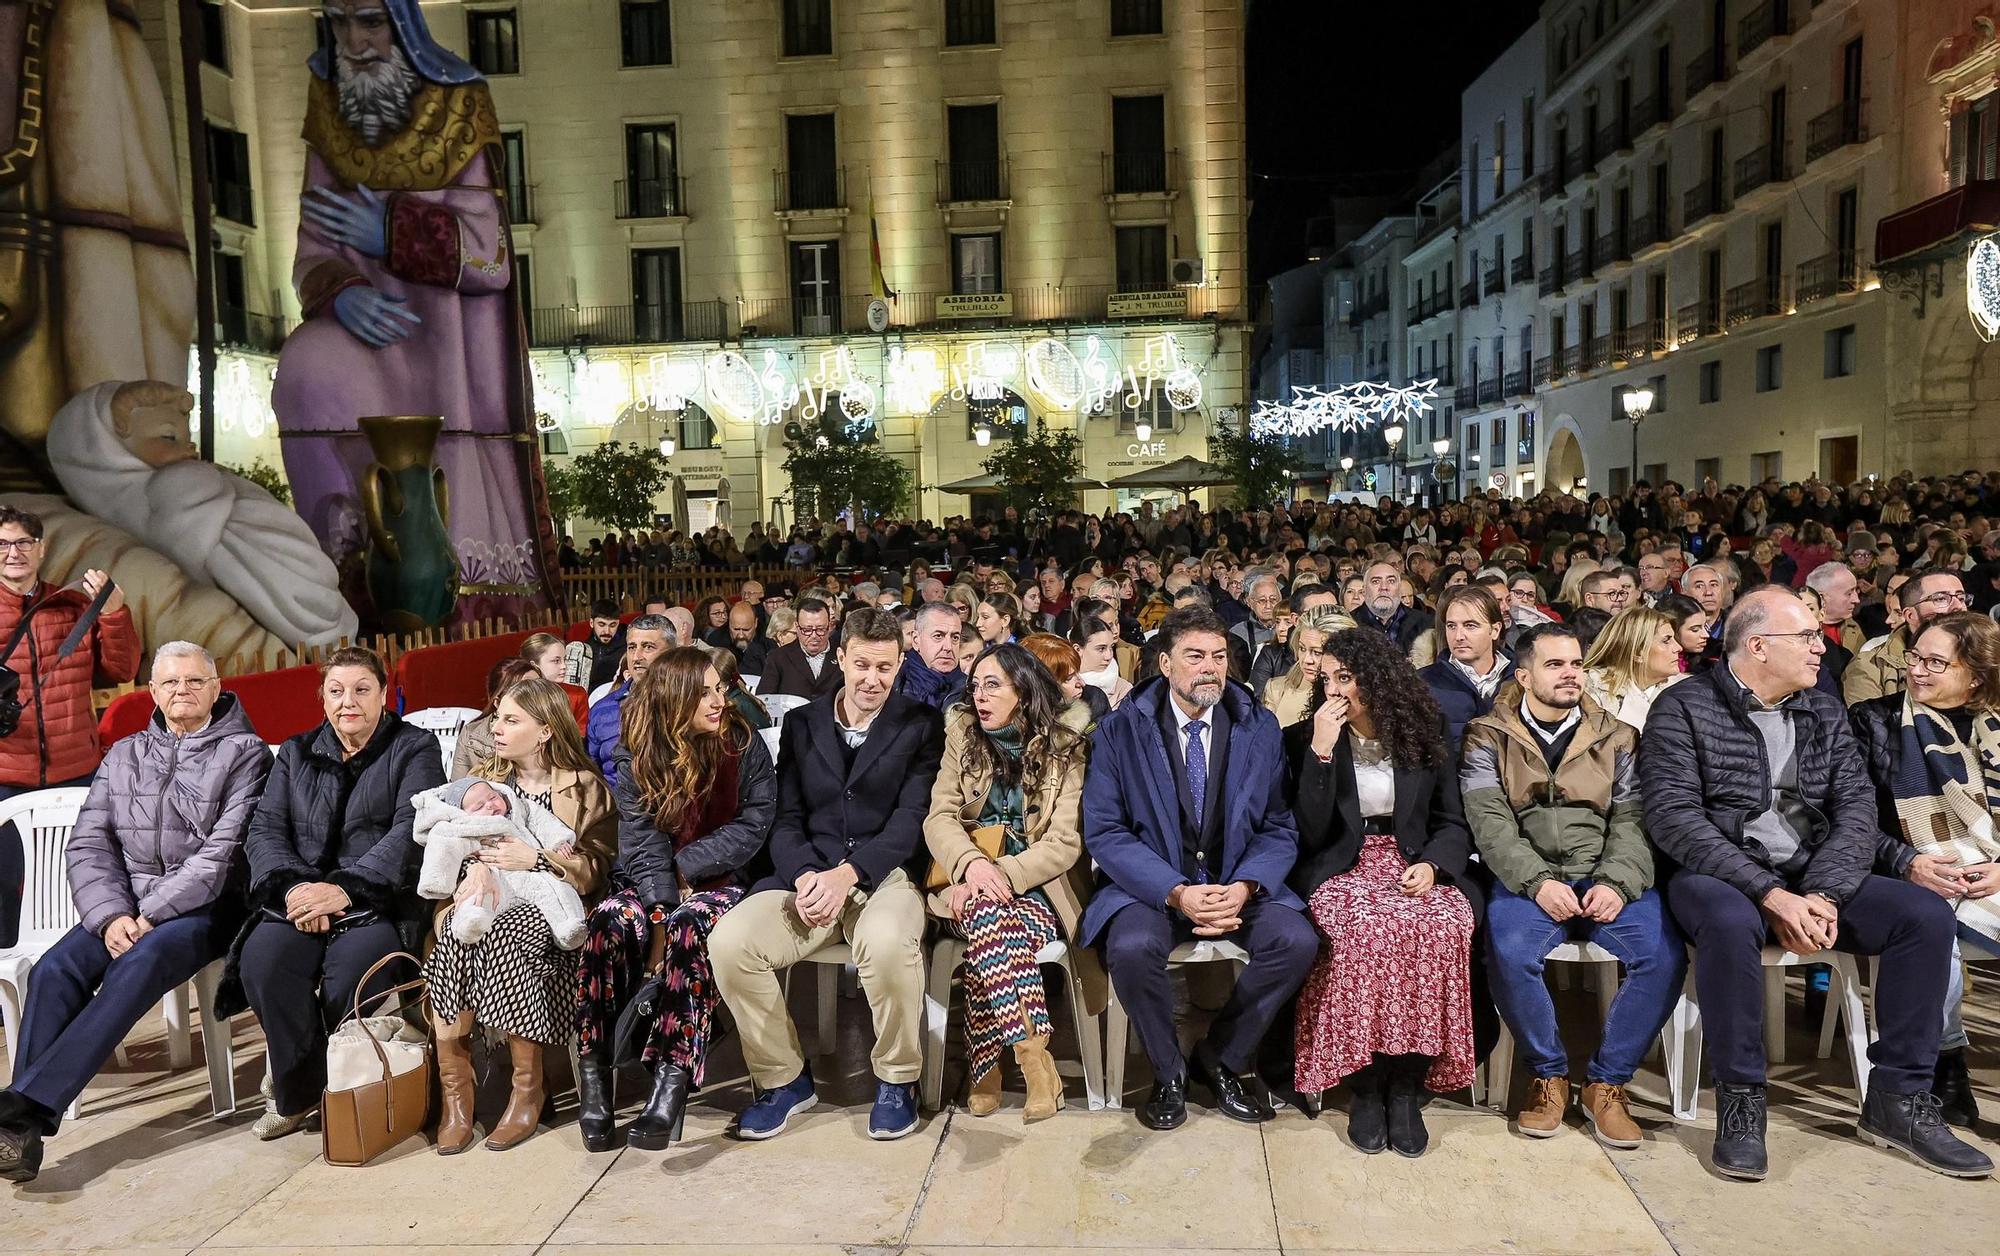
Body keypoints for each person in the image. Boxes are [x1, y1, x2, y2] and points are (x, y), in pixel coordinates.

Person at [1641, 586, 1991, 1180]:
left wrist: (1823, 893)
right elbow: (1674, 819)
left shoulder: (1822, 708)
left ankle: (1897, 1099)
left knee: (1923, 916)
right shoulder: (1684, 706)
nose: (1819, 645)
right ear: (1757, 646)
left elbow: (1855, 811)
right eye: (1805, 636)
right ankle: (1742, 1098)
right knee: (1729, 923)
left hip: (1812, 871)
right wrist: (1770, 894)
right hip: (1719, 873)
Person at [272, 0, 556, 616]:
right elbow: (312, 251)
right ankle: (342, 573)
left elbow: (491, 258)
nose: (355, 41)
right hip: (362, 336)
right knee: (304, 368)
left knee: (443, 475)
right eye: (339, 22)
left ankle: (456, 590)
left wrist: (391, 233)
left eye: (370, 21)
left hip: (450, 355)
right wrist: (342, 292)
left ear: (403, 23)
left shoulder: (461, 103)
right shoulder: (330, 111)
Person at [0, 642, 267, 1183]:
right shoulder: (125, 753)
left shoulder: (246, 753)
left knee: (137, 963)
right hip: (124, 909)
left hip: (204, 912)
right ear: (153, 692)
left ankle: (20, 1107)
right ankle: (18, 1132)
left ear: (217, 689)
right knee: (55, 969)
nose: (182, 692)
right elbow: (88, 845)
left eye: (194, 682)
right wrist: (111, 914)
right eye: (170, 683)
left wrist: (146, 917)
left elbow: (221, 858)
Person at [710, 609, 945, 1141]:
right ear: (840, 658)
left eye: (885, 668)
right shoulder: (802, 723)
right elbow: (785, 818)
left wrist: (850, 874)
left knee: (887, 943)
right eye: (861, 664)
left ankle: (895, 1078)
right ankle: (785, 1079)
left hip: (883, 876)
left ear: (900, 664)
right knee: (730, 942)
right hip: (807, 877)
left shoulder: (921, 724)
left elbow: (911, 822)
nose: (872, 679)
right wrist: (808, 876)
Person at [1081, 607, 1317, 1131]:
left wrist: (1247, 885)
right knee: (1130, 947)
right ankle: (1168, 1072)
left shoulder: (1258, 726)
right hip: (1153, 889)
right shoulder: (1121, 730)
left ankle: (1224, 1057)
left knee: (1296, 941)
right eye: (1195, 656)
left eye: (1219, 656)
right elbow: (1105, 831)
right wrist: (1174, 891)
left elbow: (1279, 825)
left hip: (1237, 882)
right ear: (1165, 663)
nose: (1210, 668)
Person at [1460, 624, 1683, 1147]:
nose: (1570, 675)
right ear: (1524, 675)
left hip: (1605, 871)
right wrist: (1536, 882)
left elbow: (1634, 820)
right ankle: (1548, 1075)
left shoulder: (1619, 736)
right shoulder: (1486, 735)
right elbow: (1489, 822)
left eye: (1576, 665)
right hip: (1529, 878)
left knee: (1663, 955)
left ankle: (1607, 1083)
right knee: (1510, 953)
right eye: (1555, 665)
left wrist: (1617, 882)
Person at [230, 646, 446, 1140]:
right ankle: (301, 1087)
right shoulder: (297, 751)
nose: (348, 701)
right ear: (322, 697)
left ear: (384, 694)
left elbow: (413, 827)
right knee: (263, 964)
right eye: (336, 691)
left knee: (353, 976)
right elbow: (264, 830)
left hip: (375, 902)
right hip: (299, 897)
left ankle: (300, 1079)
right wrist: (295, 891)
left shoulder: (414, 747)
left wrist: (344, 890)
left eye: (361, 690)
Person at [1283, 627, 1476, 1157]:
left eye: (1346, 679)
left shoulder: (1421, 728)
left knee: (1443, 924)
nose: (1335, 692)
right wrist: (1321, 756)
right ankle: (1364, 1083)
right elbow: (1309, 833)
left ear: (1378, 680)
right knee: (1364, 930)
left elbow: (1451, 822)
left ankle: (1407, 1083)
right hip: (1341, 864)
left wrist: (1435, 865)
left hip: (1411, 858)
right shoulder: (1305, 739)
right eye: (1327, 680)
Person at [574, 648, 775, 1150]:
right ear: (675, 698)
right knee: (607, 923)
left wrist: (688, 868)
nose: (718, 699)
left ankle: (671, 1081)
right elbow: (638, 837)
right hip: (648, 881)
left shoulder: (743, 744)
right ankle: (595, 1079)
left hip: (720, 879)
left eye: (719, 688)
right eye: (705, 691)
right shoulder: (636, 751)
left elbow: (754, 823)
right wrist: (661, 898)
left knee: (692, 924)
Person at [423, 677, 616, 1153]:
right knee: (455, 934)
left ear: (546, 729)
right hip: (479, 899)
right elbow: (445, 831)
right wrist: (474, 871)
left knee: (508, 932)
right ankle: (457, 1096)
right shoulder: (485, 780)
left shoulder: (585, 786)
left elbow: (598, 867)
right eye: (498, 718)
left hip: (555, 912)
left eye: (511, 720)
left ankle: (526, 1090)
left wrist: (538, 861)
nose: (497, 729)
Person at [925, 641, 1097, 1120]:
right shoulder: (962, 735)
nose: (979, 696)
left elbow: (1065, 842)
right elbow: (938, 818)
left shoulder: (1067, 745)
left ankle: (990, 1065)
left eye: (993, 685)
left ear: (1023, 690)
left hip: (1040, 888)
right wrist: (971, 867)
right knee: (989, 916)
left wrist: (1001, 873)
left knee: (990, 923)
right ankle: (1035, 1062)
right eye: (975, 685)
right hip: (965, 884)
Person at [1849, 611, 2000, 1129]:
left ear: (1975, 675)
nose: (1917, 670)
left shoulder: (1996, 725)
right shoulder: (1873, 721)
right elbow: (1849, 820)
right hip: (1908, 870)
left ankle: (1948, 1062)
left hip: (1991, 873)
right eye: (1914, 657)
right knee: (1932, 927)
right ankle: (1946, 1061)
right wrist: (1908, 861)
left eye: (1936, 662)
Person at [0, 506, 141, 941]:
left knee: (87, 880)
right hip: (7, 772)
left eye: (24, 542)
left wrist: (115, 613)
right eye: (3, 544)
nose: (13, 553)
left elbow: (122, 668)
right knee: (5, 887)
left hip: (76, 770)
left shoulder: (71, 605)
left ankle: (81, 977)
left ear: (40, 550)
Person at [1845, 570, 1970, 706]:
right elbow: (1868, 722)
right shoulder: (1870, 666)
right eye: (1941, 599)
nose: (1958, 606)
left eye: (1961, 598)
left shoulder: (1987, 657)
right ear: (1910, 615)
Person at [1417, 586, 1510, 748]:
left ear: (1495, 630)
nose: (1458, 636)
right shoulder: (1421, 683)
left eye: (1470, 626)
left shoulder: (1523, 680)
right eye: (1451, 626)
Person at [584, 614, 671, 782]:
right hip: (616, 805)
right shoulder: (602, 710)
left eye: (648, 647)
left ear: (672, 653)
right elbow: (593, 774)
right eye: (631, 647)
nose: (637, 657)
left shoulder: (690, 702)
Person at [1580, 607, 1685, 731]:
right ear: (1637, 653)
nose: (1678, 648)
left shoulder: (1687, 691)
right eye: (1666, 641)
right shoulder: (1591, 691)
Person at [1261, 609, 1349, 729]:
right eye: (1302, 648)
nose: (1307, 660)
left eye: (1317, 652)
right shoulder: (1276, 689)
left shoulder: (1356, 696)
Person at [454, 657, 540, 778]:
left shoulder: (554, 727)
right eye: (527, 690)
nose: (539, 694)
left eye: (541, 686)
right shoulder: (472, 735)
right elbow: (458, 789)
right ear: (498, 703)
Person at [756, 597, 842, 701]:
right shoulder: (778, 658)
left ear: (829, 626)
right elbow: (764, 700)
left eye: (820, 629)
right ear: (797, 627)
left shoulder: (842, 655)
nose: (814, 635)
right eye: (807, 630)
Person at [1804, 561, 1864, 698]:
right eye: (1849, 593)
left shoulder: (1863, 625)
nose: (1856, 599)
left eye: (1856, 591)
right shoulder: (1797, 636)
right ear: (1821, 598)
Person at [895, 602, 968, 711]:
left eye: (955, 637)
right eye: (938, 636)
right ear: (916, 640)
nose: (948, 647)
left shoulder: (970, 690)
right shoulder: (895, 685)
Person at [1353, 560, 1431, 655]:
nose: (1384, 587)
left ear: (1399, 589)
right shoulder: (1349, 624)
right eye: (1376, 581)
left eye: (1391, 581)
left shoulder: (1425, 624)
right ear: (1364, 590)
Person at [1071, 613, 1133, 710]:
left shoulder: (1124, 690)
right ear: (1077, 650)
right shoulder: (1060, 686)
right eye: (1101, 649)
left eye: (1111, 647)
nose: (1109, 656)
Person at [565, 599, 626, 692]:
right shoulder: (585, 651)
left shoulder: (629, 643)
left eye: (613, 625)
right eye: (601, 624)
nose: (607, 631)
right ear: (591, 623)